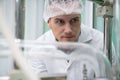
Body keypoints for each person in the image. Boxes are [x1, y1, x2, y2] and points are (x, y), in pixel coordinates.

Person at [26, 0, 115, 79]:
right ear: (49, 22)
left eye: (74, 20)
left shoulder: (101, 42)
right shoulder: (38, 50)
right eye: (60, 21)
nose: (68, 30)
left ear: (80, 18)